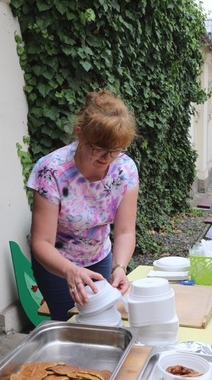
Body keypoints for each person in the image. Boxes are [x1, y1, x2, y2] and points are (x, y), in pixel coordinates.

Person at [28, 90, 138, 320]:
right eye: (99, 149)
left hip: (100, 257)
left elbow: (125, 230)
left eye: (115, 150)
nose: (107, 158)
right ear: (80, 134)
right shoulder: (52, 170)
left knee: (102, 323)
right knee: (69, 325)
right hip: (57, 266)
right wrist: (70, 270)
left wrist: (119, 267)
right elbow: (41, 242)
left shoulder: (125, 170)